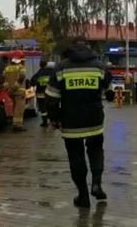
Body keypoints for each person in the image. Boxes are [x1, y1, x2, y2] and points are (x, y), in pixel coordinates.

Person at [45, 40, 112, 208]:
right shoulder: (99, 66)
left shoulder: (61, 68)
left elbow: (52, 98)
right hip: (94, 119)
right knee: (96, 151)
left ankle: (83, 195)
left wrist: (54, 119)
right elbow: (108, 89)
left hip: (71, 122)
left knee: (76, 157)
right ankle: (96, 184)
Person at [3, 50, 27, 132]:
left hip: (11, 92)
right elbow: (21, 78)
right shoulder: (21, 67)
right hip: (19, 91)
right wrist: (14, 87)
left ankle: (15, 124)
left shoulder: (7, 68)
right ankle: (18, 126)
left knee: (14, 108)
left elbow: (4, 80)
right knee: (19, 109)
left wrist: (8, 89)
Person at [31, 60, 55, 127]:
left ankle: (45, 122)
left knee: (43, 108)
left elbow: (32, 82)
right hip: (50, 93)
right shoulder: (52, 72)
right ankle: (52, 121)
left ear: (40, 65)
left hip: (40, 94)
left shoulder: (38, 73)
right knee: (50, 107)